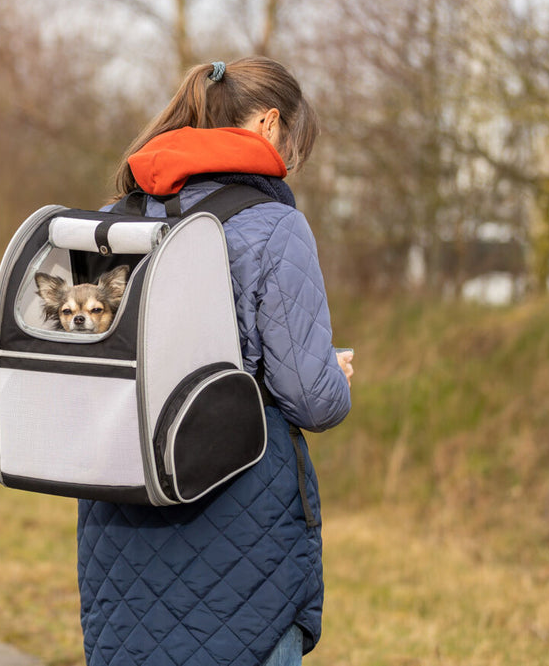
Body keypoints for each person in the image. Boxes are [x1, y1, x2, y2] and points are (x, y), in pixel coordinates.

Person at [77, 57, 354, 666]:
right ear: (269, 124)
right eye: (295, 140)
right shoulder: (276, 226)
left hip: (122, 509)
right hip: (240, 520)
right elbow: (312, 397)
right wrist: (335, 374)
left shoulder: (111, 220)